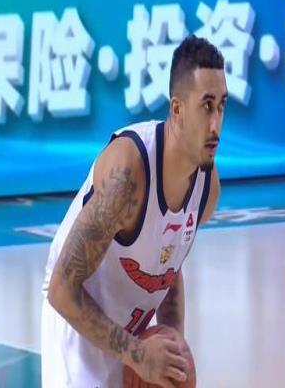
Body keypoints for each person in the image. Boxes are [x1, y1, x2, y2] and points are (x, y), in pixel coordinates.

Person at [41, 35, 227, 388]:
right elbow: (61, 289)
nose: (216, 123)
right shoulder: (127, 176)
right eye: (206, 106)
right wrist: (139, 356)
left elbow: (169, 268)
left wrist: (172, 343)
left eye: (221, 106)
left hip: (133, 332)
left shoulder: (207, 187)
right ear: (177, 110)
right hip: (76, 323)